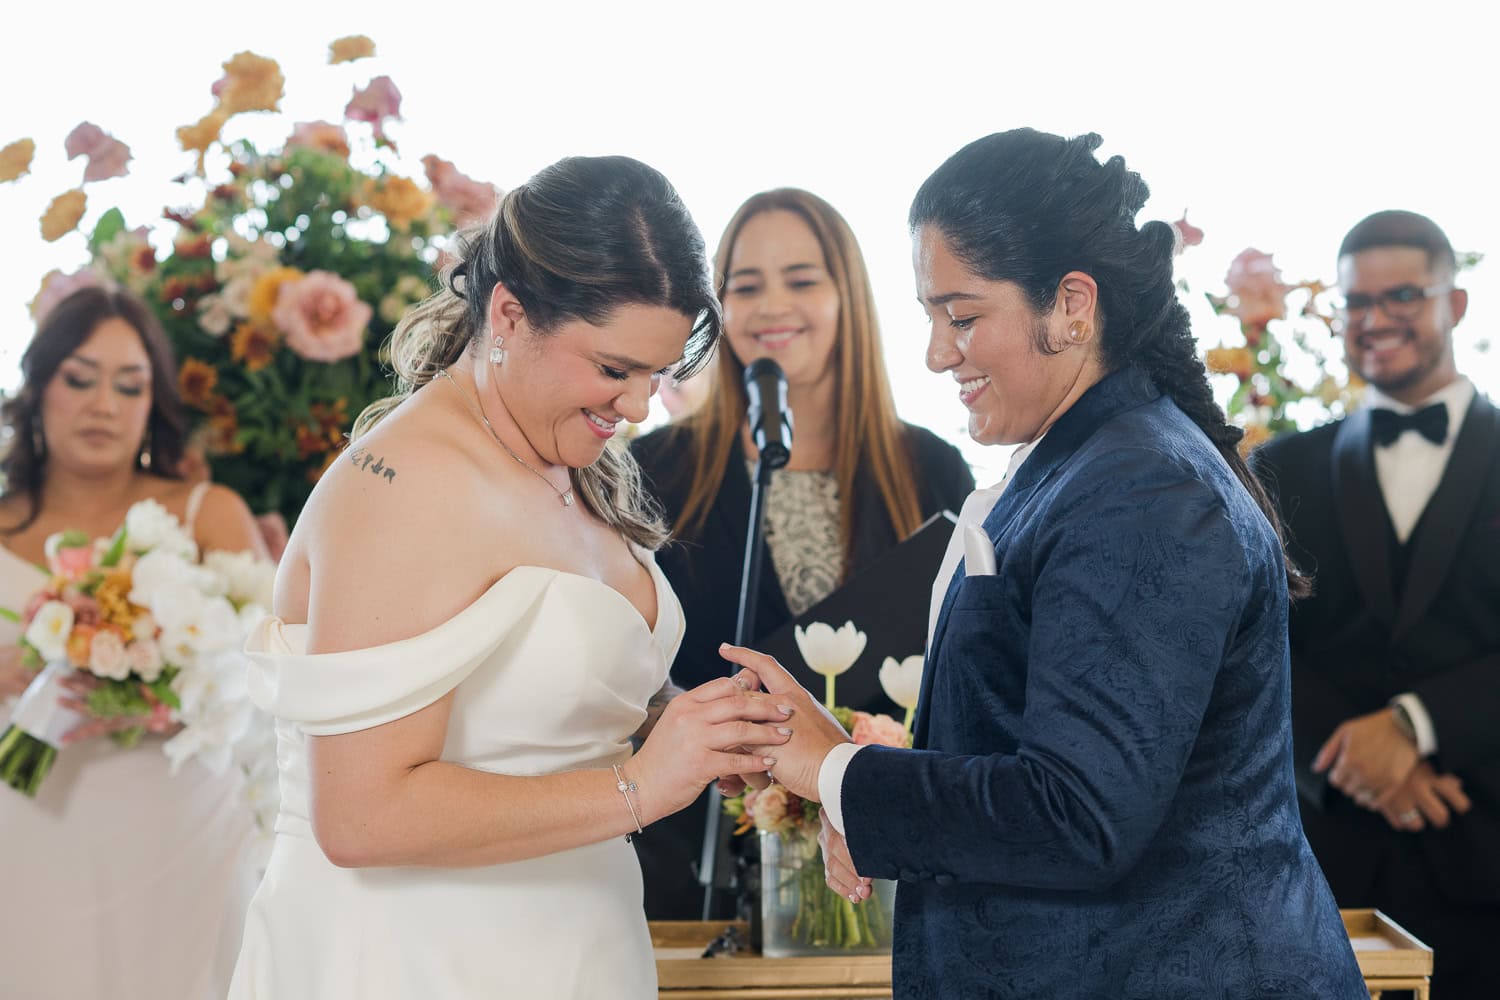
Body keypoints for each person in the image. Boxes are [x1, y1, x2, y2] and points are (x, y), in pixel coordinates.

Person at [720, 130, 1369, 998]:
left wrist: (833, 772)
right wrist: (857, 795)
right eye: (929, 318)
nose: (937, 354)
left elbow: (1079, 816)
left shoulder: (1143, 491)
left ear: (1071, 304)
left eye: (962, 316)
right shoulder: (1088, 462)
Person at [226, 156, 793, 999]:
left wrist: (698, 730)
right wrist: (642, 785)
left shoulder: (564, 455)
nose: (638, 406)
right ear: (508, 313)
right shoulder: (404, 486)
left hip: (574, 945)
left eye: (657, 374)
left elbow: (553, 712)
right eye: (613, 368)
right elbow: (361, 814)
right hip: (416, 961)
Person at [630, 187, 973, 918]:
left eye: (802, 280)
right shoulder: (655, 470)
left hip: (882, 884)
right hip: (693, 875)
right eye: (745, 286)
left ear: (847, 296)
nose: (771, 306)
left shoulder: (931, 470)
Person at [1250, 210, 1499, 999]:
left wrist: (1414, 727)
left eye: (1402, 296)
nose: (1375, 320)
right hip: (1324, 873)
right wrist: (1356, 758)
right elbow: (1251, 640)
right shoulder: (1277, 467)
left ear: (1454, 306)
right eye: (1358, 303)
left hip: (1486, 857)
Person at [0, 285, 269, 1000]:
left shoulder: (208, 513)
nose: (104, 405)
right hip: (24, 826)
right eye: (79, 379)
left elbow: (277, 672)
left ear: (154, 403)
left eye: (130, 385)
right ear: (39, 389)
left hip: (185, 830)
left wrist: (168, 687)